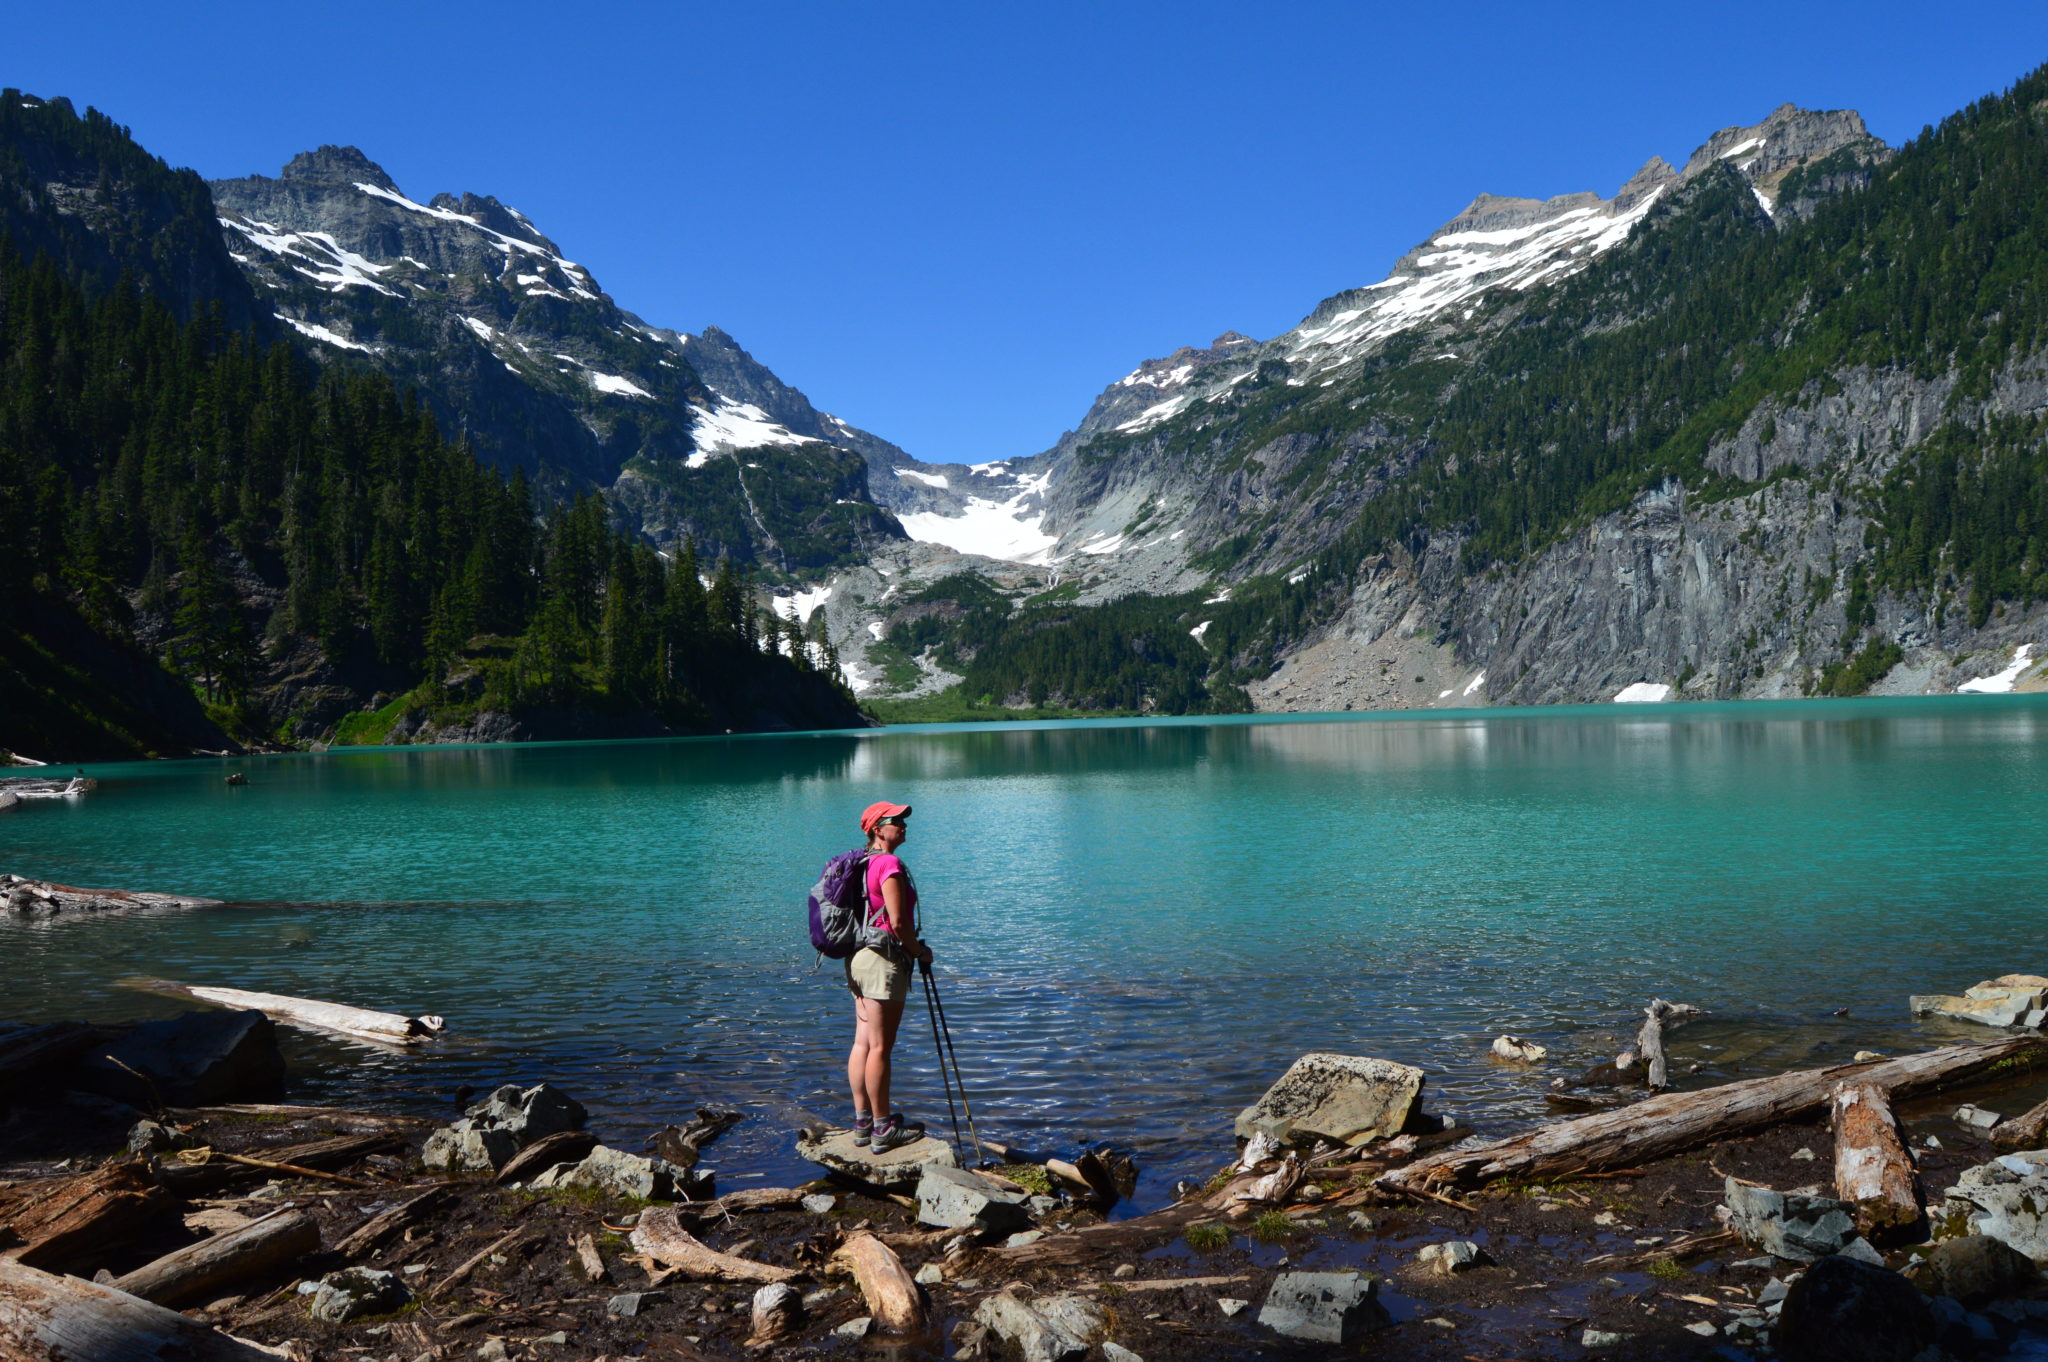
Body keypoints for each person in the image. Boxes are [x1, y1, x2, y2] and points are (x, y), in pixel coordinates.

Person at [845, 799, 932, 1152]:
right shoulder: (890, 864)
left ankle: (864, 1122)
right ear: (877, 829)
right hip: (883, 961)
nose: (904, 825)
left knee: (862, 1043)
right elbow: (898, 924)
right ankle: (883, 1129)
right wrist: (919, 952)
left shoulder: (862, 863)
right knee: (880, 1047)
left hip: (859, 959)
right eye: (897, 821)